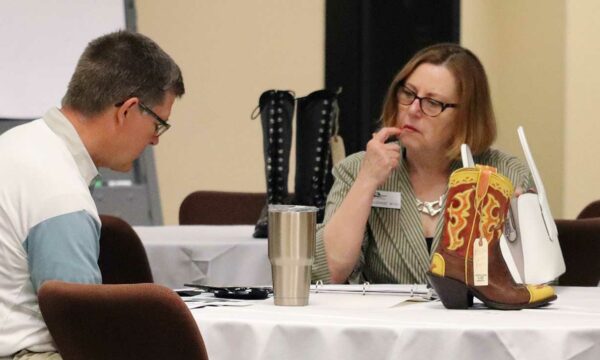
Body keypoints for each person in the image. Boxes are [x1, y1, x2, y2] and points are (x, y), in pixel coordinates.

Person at [0, 30, 184, 359]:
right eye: (159, 124)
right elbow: (83, 335)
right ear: (127, 110)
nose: (155, 140)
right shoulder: (61, 194)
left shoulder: (15, 144)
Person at [311, 43, 531, 284]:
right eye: (408, 94)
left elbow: (534, 280)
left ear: (466, 116)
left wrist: (517, 235)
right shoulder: (357, 170)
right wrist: (367, 180)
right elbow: (327, 272)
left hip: (477, 320)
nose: (413, 110)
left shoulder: (505, 173)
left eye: (432, 103)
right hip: (387, 321)